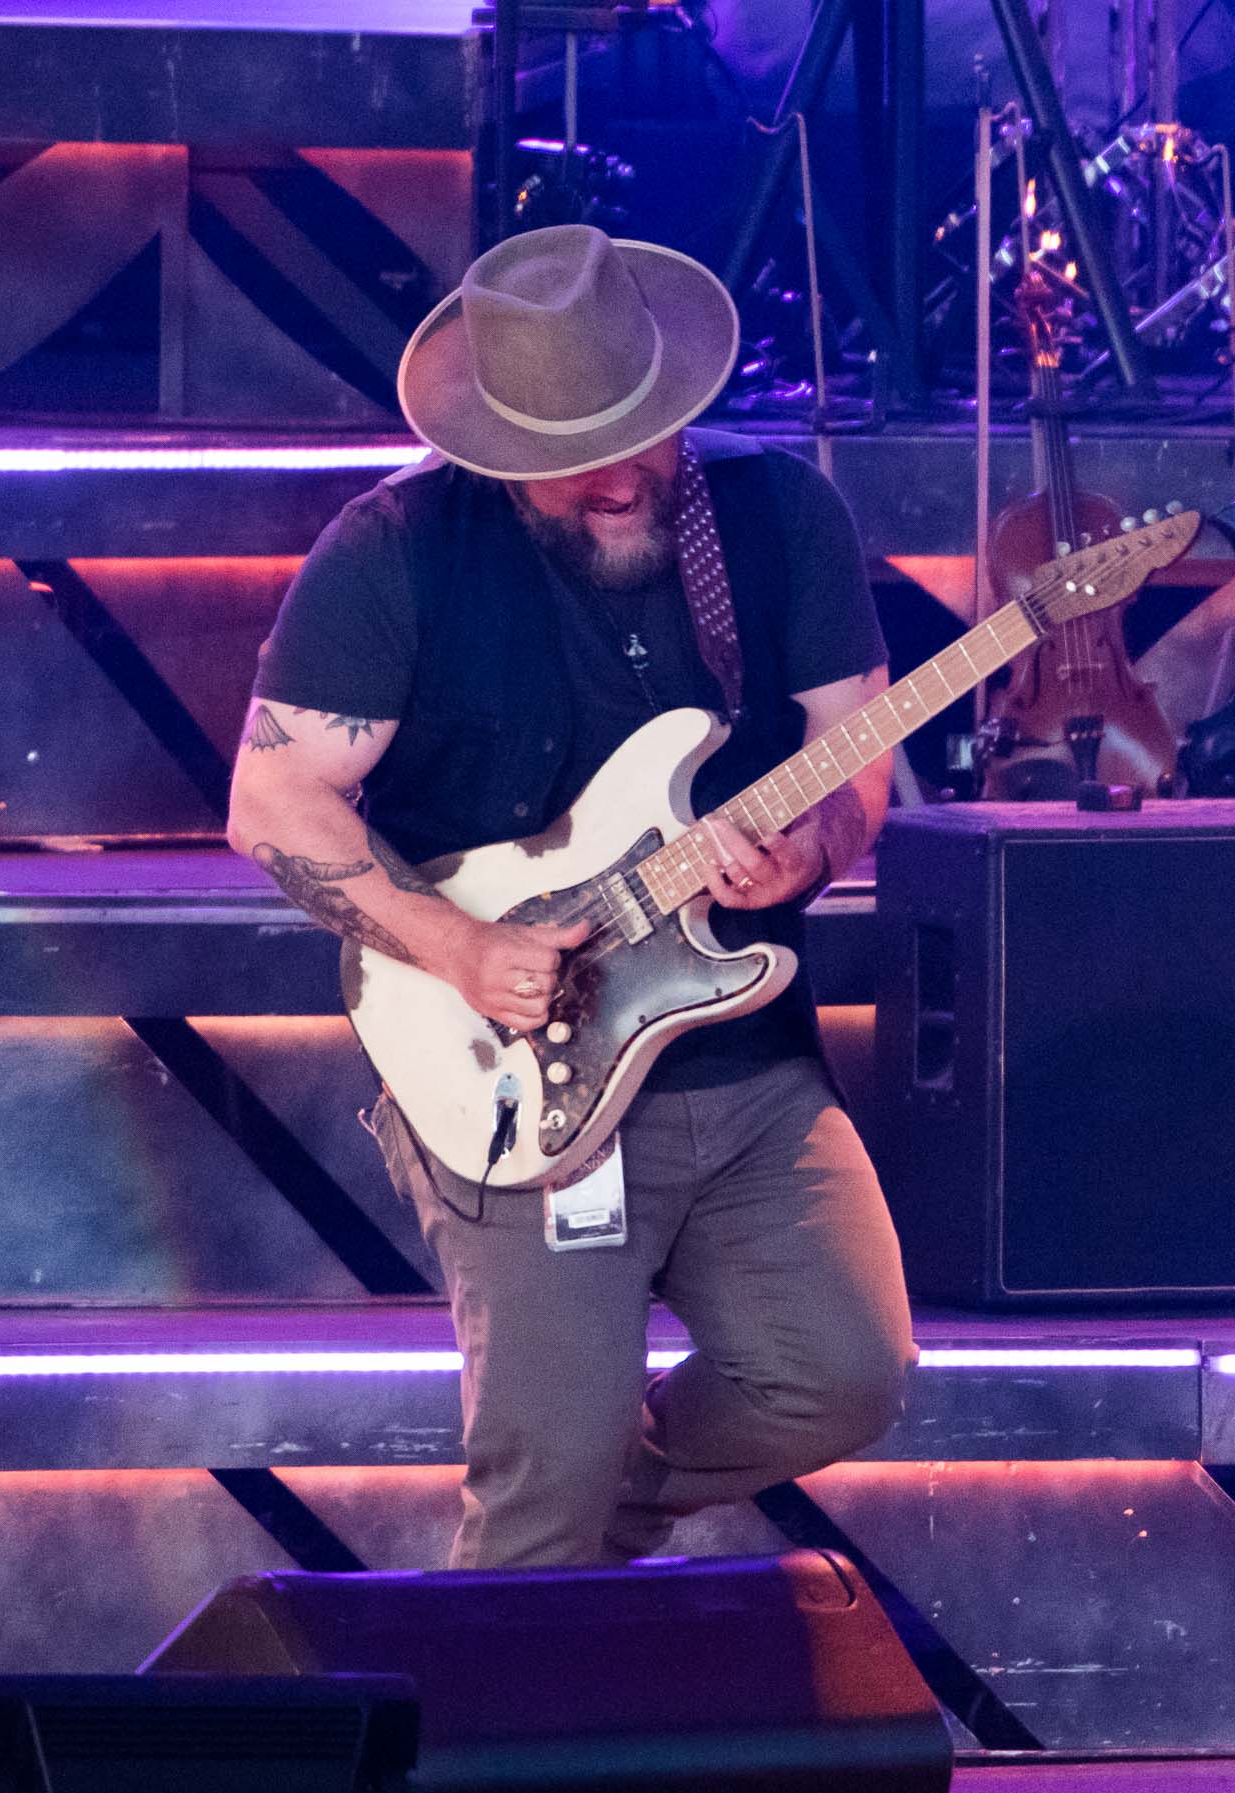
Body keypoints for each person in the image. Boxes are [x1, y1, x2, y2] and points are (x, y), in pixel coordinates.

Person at [227, 224, 916, 1570]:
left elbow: (859, 751)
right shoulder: (397, 550)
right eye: (571, 456)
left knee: (845, 1373)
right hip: (517, 1071)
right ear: (495, 449)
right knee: (544, 1482)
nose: (616, 477)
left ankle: (585, 1532)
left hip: (744, 1051)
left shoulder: (777, 517)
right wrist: (459, 948)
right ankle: (528, 1628)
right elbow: (274, 801)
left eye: (641, 436)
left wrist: (816, 847)